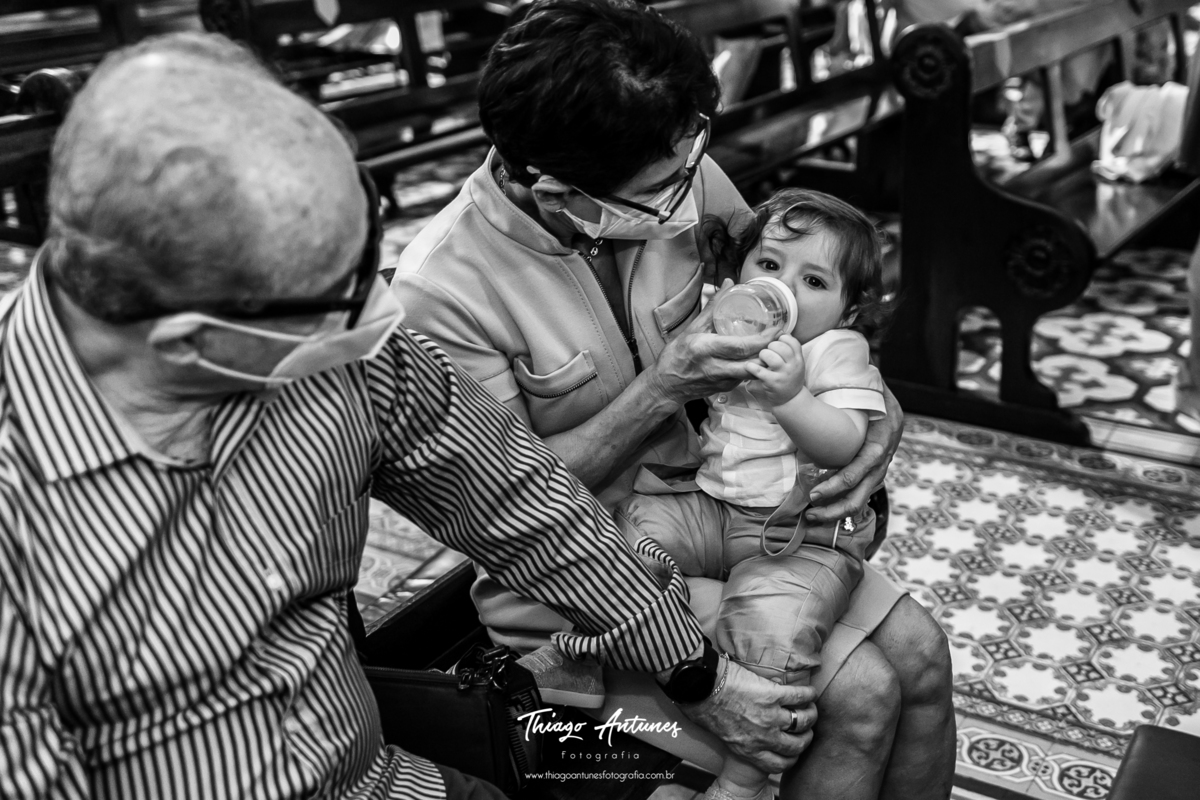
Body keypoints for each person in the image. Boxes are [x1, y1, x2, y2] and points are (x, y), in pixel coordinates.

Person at [0, 32, 818, 800]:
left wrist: (694, 674)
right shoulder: (22, 519)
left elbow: (518, 501)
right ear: (193, 342)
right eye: (339, 303)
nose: (379, 321)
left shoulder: (343, 347)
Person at [392, 2, 955, 798]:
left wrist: (876, 423)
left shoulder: (670, 164)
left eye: (692, 164)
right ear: (558, 194)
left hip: (727, 513)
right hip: (589, 577)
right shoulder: (442, 291)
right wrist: (664, 388)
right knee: (860, 697)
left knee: (924, 656)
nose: (688, 198)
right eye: (663, 189)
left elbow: (806, 303)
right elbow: (507, 503)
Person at [614, 189, 891, 800]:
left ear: (846, 310)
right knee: (629, 534)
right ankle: (598, 639)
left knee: (771, 631)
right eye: (769, 266)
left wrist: (791, 398)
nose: (783, 289)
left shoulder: (834, 350)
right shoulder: (730, 323)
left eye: (814, 280)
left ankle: (745, 779)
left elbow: (845, 445)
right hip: (712, 508)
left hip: (798, 536)